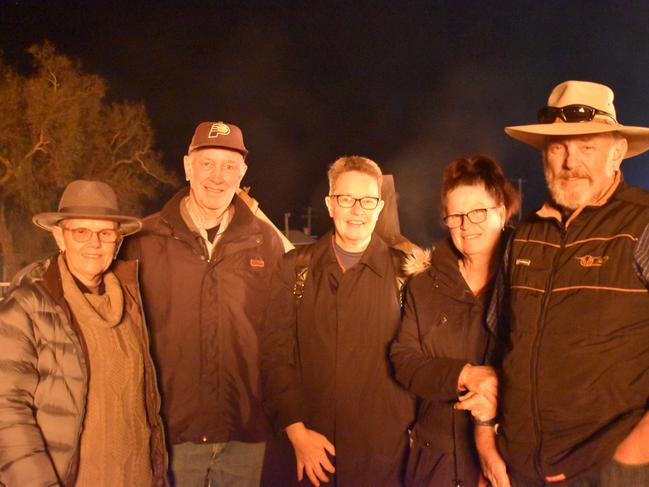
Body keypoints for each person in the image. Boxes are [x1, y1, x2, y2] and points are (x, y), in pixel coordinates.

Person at [479, 80, 649, 487]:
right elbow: (500, 343)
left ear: (617, 152)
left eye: (587, 146)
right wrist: (485, 438)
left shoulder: (642, 225)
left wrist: (629, 458)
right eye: (558, 147)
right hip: (518, 470)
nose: (571, 161)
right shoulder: (523, 235)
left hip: (608, 472)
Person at [122, 121, 286, 486]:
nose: (218, 176)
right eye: (207, 163)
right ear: (186, 166)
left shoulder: (267, 243)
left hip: (245, 433)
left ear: (243, 173)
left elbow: (280, 338)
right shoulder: (143, 240)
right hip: (171, 434)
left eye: (229, 166)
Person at [260, 155, 416, 487]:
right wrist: (297, 433)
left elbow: (420, 365)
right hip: (309, 457)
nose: (357, 209)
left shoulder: (406, 273)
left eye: (367, 200)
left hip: (382, 459)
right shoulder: (294, 269)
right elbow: (275, 357)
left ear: (380, 206)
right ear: (330, 204)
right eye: (346, 199)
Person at [0, 180, 167, 486]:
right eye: (81, 232)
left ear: (117, 242)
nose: (95, 243)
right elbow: (6, 413)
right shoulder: (26, 308)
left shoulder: (132, 302)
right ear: (60, 237)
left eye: (105, 233)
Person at [390, 155, 519, 487]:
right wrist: (465, 374)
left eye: (478, 212)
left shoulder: (528, 280)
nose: (467, 225)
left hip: (507, 460)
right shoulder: (425, 285)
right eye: (455, 216)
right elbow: (404, 361)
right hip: (436, 460)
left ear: (501, 212)